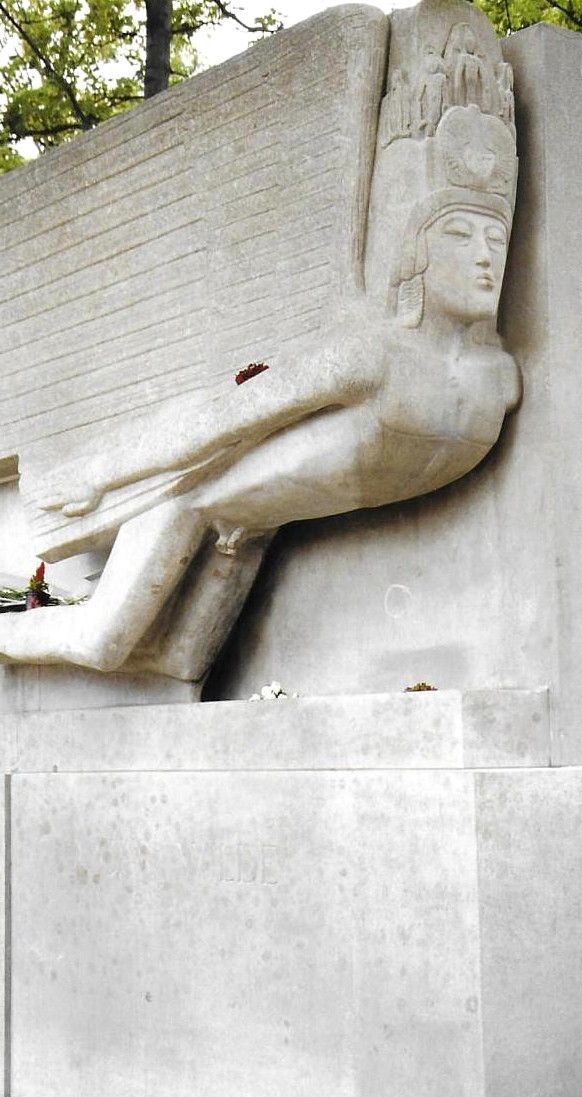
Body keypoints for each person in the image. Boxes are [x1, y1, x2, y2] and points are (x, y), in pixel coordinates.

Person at [0, 124, 519, 681]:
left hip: (249, 530)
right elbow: (224, 417)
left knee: (180, 663)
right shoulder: (370, 357)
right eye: (461, 236)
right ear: (415, 253)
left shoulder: (500, 382)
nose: (486, 258)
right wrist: (98, 476)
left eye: (496, 238)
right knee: (102, 643)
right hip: (184, 499)